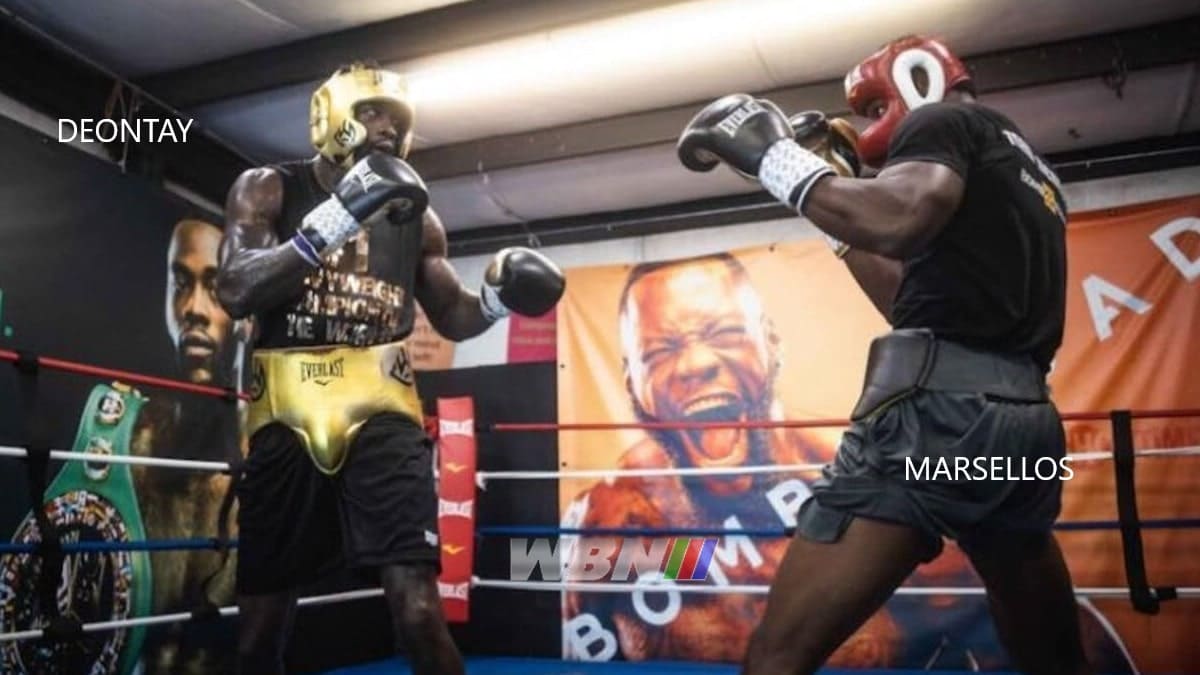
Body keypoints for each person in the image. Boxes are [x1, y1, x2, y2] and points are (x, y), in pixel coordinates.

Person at [677, 35, 1092, 674]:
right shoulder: (1033, 174)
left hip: (935, 433)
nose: (875, 125)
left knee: (779, 654)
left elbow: (899, 216)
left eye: (876, 107)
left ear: (921, 74)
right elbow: (912, 302)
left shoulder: (945, 119)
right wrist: (836, 203)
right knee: (1053, 658)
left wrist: (776, 159)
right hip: (1021, 437)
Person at [214, 62, 564, 675]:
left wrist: (497, 300)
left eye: (397, 120)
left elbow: (452, 315)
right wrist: (337, 217)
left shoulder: (416, 217)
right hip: (285, 416)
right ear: (332, 118)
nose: (386, 129)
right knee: (259, 633)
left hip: (384, 413)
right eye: (372, 113)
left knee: (420, 612)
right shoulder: (268, 188)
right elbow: (237, 288)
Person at [563, 253, 899, 666]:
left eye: (725, 334)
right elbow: (520, 566)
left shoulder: (861, 475)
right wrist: (626, 560)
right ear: (632, 381)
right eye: (660, 351)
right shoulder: (613, 507)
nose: (696, 364)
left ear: (771, 342)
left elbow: (959, 618)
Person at [132, 218, 250, 673]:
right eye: (181, 284)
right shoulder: (132, 444)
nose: (194, 309)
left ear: (244, 315)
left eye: (216, 288)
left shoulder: (266, 452)